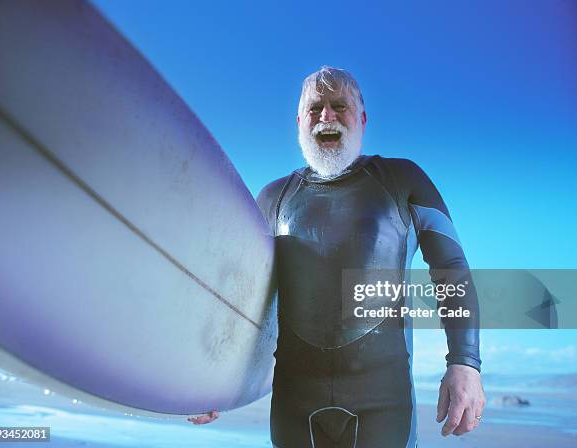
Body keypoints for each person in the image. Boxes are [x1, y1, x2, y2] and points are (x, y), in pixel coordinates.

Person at [190, 66, 485, 448]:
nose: (326, 116)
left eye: (339, 106)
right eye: (315, 108)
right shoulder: (272, 198)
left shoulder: (402, 180)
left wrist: (465, 363)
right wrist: (214, 380)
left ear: (362, 119)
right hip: (294, 404)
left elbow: (451, 270)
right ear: (299, 122)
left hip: (384, 403)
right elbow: (241, 297)